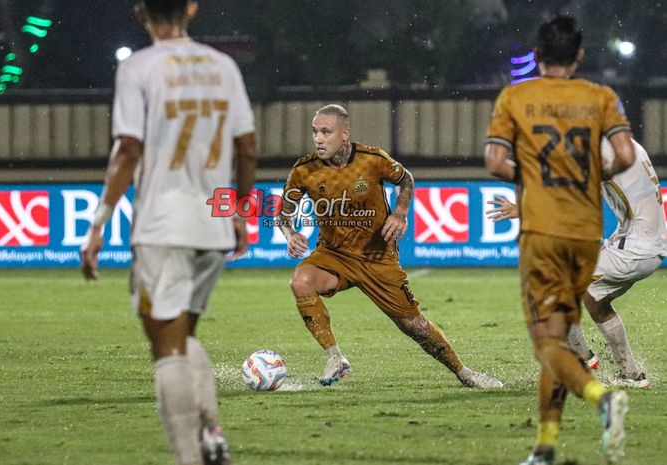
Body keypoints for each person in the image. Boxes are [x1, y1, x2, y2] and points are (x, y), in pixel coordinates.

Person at [80, 1, 256, 465]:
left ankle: (188, 458)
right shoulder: (224, 66)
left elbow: (128, 150)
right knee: (186, 335)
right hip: (213, 226)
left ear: (140, 12)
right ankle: (212, 432)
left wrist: (97, 224)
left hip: (163, 225)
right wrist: (239, 211)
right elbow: (247, 147)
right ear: (192, 9)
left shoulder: (140, 67)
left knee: (167, 348)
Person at [484, 15, 636, 465]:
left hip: (543, 231)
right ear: (579, 56)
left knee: (546, 341)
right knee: (560, 335)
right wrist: (585, 177)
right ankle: (545, 447)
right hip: (587, 233)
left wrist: (536, 179)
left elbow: (495, 162)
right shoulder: (600, 96)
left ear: (538, 54)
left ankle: (602, 399)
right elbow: (625, 154)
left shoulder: (516, 96)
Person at [276, 103, 503, 389]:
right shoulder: (304, 170)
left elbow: (405, 178)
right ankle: (335, 357)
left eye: (326, 132)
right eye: (315, 132)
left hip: (377, 257)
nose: (318, 139)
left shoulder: (372, 159)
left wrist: (400, 213)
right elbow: (283, 213)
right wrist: (290, 233)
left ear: (344, 134)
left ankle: (464, 373)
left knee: (414, 326)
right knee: (300, 282)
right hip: (333, 255)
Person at [487, 137, 666, 390]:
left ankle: (580, 359)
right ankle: (631, 375)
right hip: (641, 242)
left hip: (635, 248)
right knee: (595, 299)